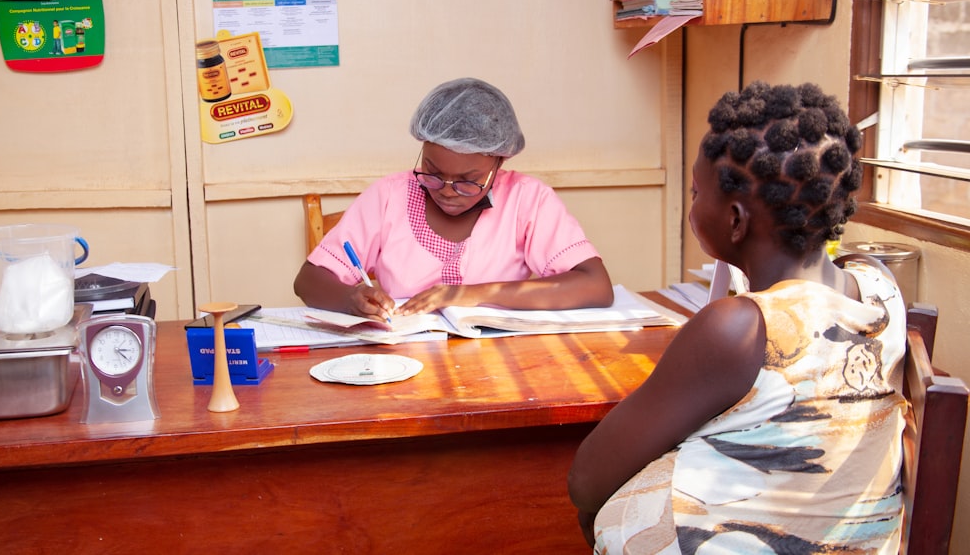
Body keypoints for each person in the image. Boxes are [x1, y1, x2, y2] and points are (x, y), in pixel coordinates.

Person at [568, 81, 907, 554]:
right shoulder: (880, 288)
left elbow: (586, 479)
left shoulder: (742, 327)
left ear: (735, 220)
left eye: (695, 192)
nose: (691, 205)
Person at [293, 77, 614, 321]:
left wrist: (468, 294)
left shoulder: (527, 200)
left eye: (468, 181)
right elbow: (308, 280)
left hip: (504, 368)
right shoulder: (388, 197)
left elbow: (596, 286)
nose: (446, 189)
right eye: (431, 171)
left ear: (499, 163)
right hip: (402, 367)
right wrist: (350, 298)